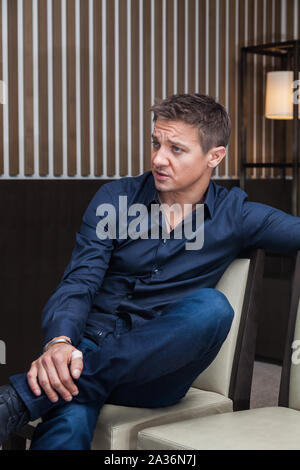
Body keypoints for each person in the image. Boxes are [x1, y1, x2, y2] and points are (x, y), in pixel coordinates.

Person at [1, 93, 300, 450]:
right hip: (86, 346)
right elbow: (80, 280)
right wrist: (60, 342)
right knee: (69, 419)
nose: (158, 158)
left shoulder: (235, 214)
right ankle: (58, 386)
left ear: (214, 157)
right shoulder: (115, 198)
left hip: (156, 371)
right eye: (155, 143)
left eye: (176, 149)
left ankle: (21, 400)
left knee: (212, 307)